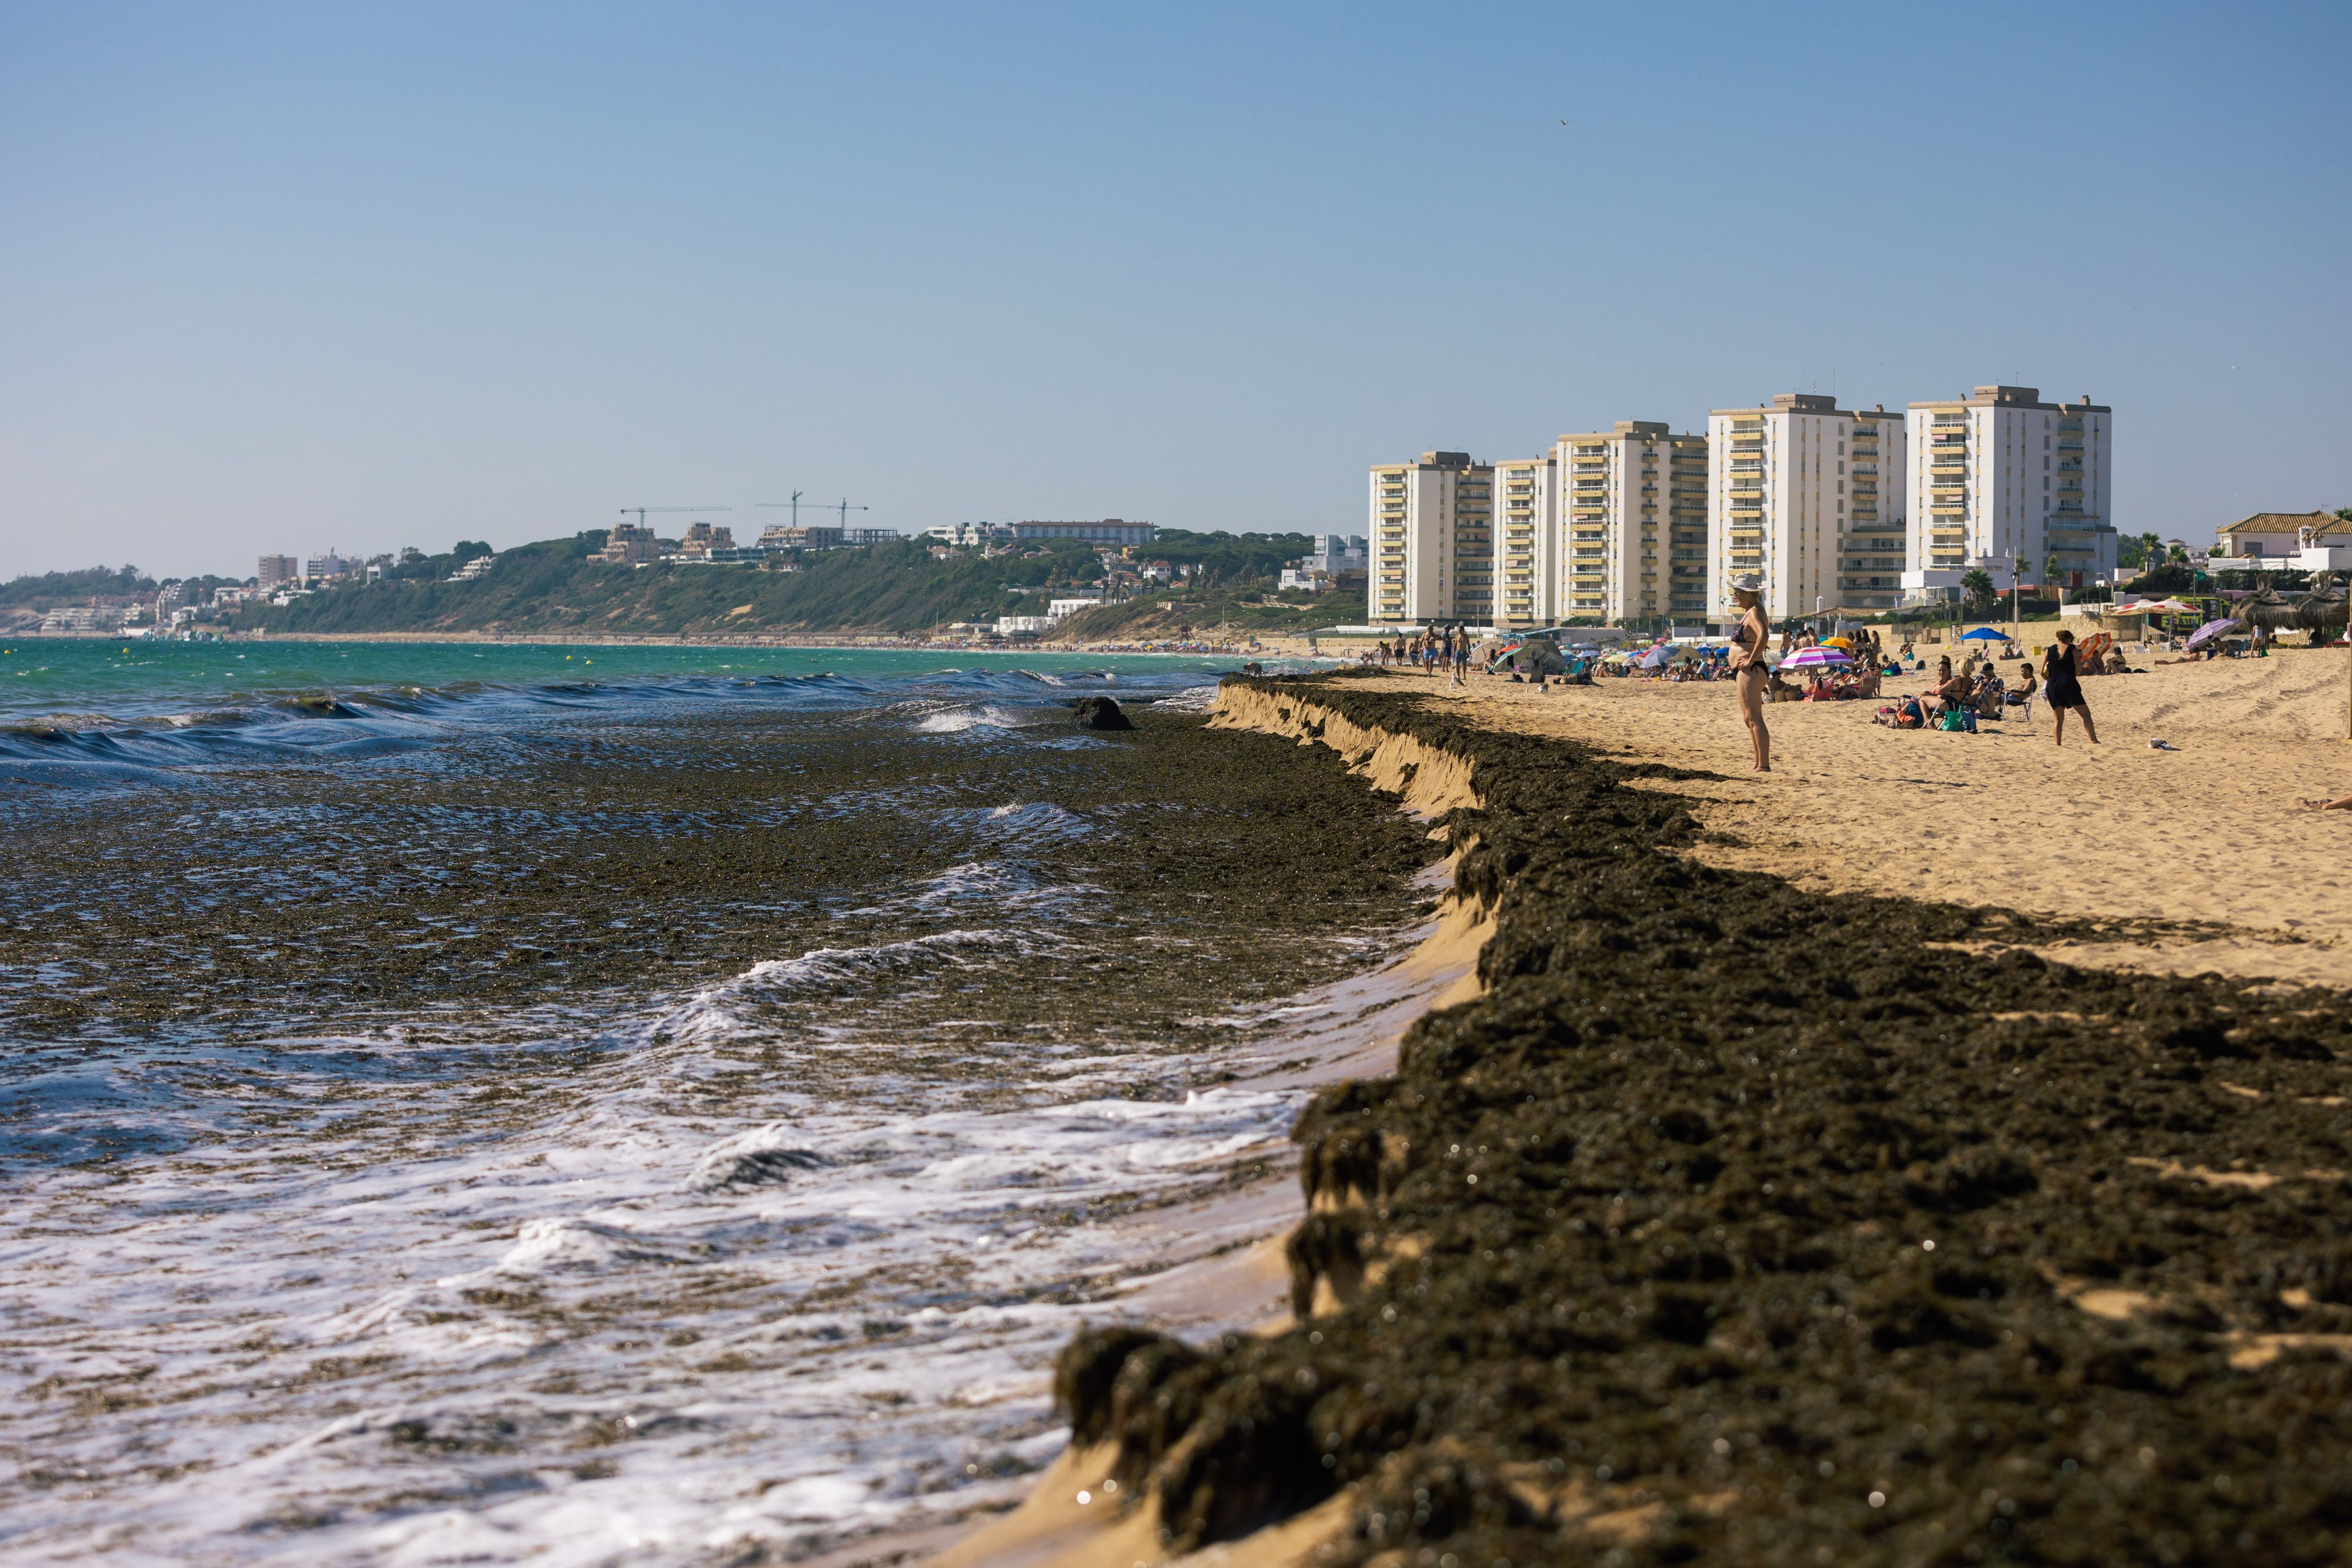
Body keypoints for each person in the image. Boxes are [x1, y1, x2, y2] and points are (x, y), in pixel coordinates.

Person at [1728, 573, 1772, 771]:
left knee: (1754, 718)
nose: (1734, 596)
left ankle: (1764, 765)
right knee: (1749, 718)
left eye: (1737, 593)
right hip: (1749, 670)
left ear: (1748, 593)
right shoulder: (1753, 610)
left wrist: (1750, 659)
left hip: (1751, 670)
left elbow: (1764, 635)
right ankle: (1758, 763)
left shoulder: (1754, 612)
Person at [2044, 628, 2099, 747]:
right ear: (2069, 639)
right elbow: (2078, 668)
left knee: (2058, 719)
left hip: (2053, 685)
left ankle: (2058, 743)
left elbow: (2042, 672)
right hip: (2069, 684)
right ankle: (2093, 740)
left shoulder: (2048, 651)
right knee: (2086, 714)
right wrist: (2071, 677)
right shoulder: (2072, 649)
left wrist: (2050, 680)